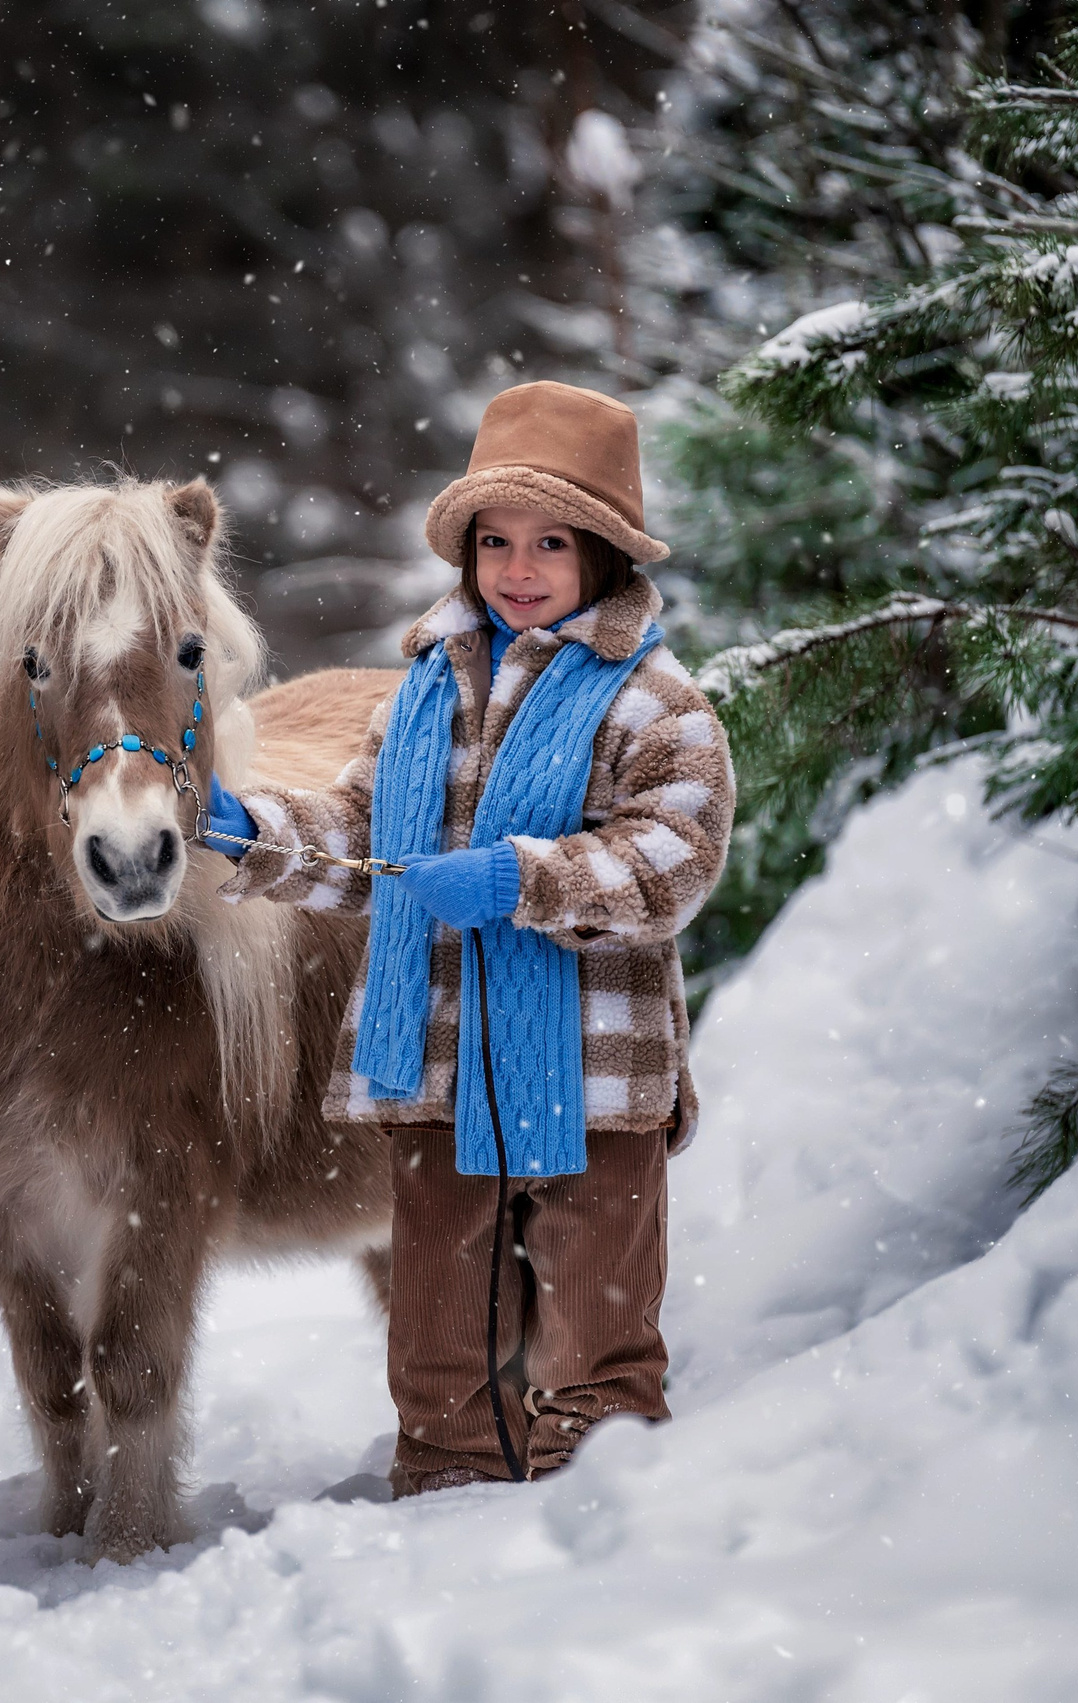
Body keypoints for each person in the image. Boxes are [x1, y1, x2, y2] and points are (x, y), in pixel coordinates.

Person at [203, 382, 734, 1495]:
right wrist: (250, 831)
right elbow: (356, 834)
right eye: (495, 541)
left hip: (592, 1068)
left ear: (607, 556)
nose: (519, 566)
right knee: (440, 1308)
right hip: (440, 1057)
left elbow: (670, 862)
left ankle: (603, 1490)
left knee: (593, 1303)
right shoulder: (422, 697)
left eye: (550, 540)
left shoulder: (656, 705)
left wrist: (520, 877)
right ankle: (449, 1481)